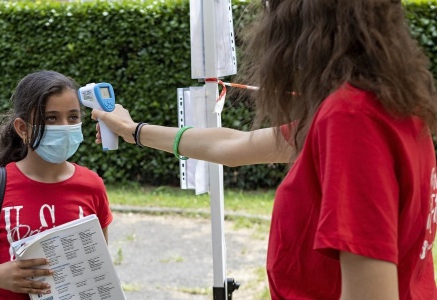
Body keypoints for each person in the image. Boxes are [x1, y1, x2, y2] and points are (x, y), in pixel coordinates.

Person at [90, 1, 437, 299]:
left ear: (304, 25)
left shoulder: (350, 117)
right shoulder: (392, 104)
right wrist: (134, 131)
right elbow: (233, 145)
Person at [0, 70, 113, 300]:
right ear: (23, 128)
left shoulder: (92, 185)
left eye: (73, 117)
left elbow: (98, 264)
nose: (64, 126)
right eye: (51, 118)